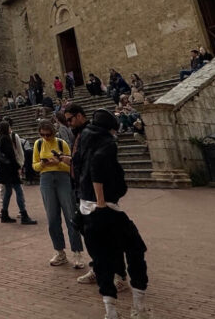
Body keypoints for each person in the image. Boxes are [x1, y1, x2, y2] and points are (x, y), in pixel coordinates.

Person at [76, 109, 151, 319]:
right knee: (136, 249)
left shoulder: (84, 139)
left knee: (101, 260)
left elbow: (79, 166)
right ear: (110, 129)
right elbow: (98, 166)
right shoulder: (106, 143)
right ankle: (139, 307)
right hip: (105, 208)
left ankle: (110, 311)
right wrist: (101, 201)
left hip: (85, 207)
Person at [32, 119, 85, 268]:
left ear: (53, 133)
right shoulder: (39, 144)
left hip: (62, 178)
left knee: (70, 216)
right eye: (42, 134)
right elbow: (34, 166)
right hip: (46, 180)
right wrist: (43, 163)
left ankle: (77, 252)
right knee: (52, 217)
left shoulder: (62, 143)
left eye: (48, 134)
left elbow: (71, 166)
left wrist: (58, 162)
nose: (46, 137)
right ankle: (59, 251)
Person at [0, 121, 35, 225]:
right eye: (9, 127)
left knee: (8, 192)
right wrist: (18, 167)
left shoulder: (0, 138)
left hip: (4, 170)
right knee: (18, 191)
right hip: (10, 170)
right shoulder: (7, 138)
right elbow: (11, 156)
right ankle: (24, 214)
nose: (10, 129)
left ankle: (4, 213)